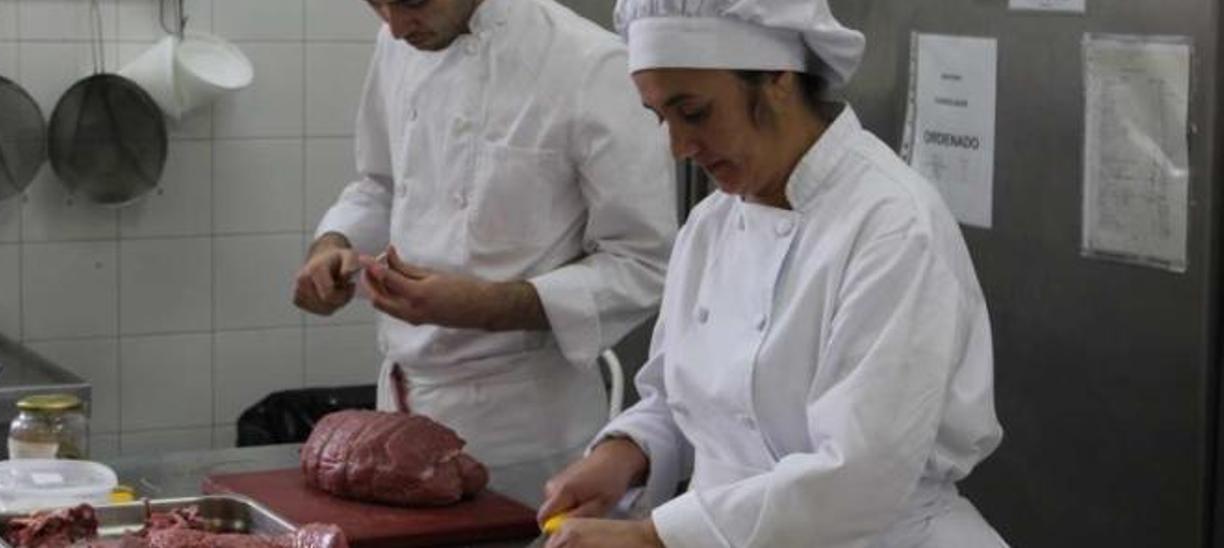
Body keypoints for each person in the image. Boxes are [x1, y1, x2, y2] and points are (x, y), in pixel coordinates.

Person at [537, 1, 1006, 546]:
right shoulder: (713, 223)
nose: (679, 148)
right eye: (661, 117)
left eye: (695, 112)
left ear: (779, 78)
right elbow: (685, 398)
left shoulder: (892, 226)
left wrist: (654, 537)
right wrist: (628, 452)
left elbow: (859, 479)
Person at [291, 0, 678, 480]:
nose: (393, 27)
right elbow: (381, 184)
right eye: (376, 4)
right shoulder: (400, 44)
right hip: (396, 404)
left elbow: (644, 262)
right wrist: (332, 244)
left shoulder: (591, 65)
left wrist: (489, 306)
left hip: (522, 435)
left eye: (412, 2)